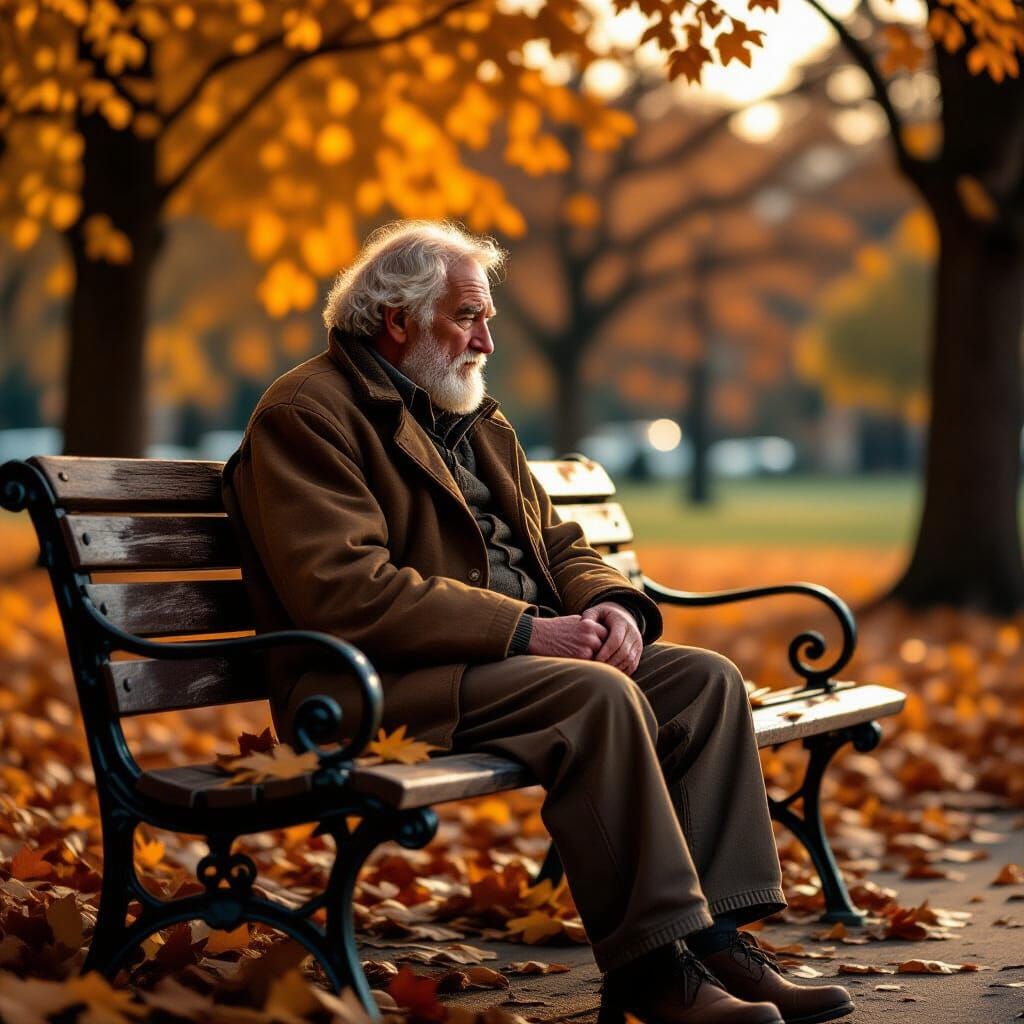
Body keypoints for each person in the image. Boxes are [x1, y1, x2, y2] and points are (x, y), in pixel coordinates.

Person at [222, 221, 854, 1024]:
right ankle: (656, 971)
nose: (487, 338)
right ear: (397, 320)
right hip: (365, 686)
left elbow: (558, 541)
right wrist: (527, 629)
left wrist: (610, 604)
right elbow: (346, 591)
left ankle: (717, 941)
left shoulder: (472, 415)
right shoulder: (308, 413)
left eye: (486, 318)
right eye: (467, 317)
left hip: (505, 664)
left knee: (703, 681)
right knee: (595, 699)